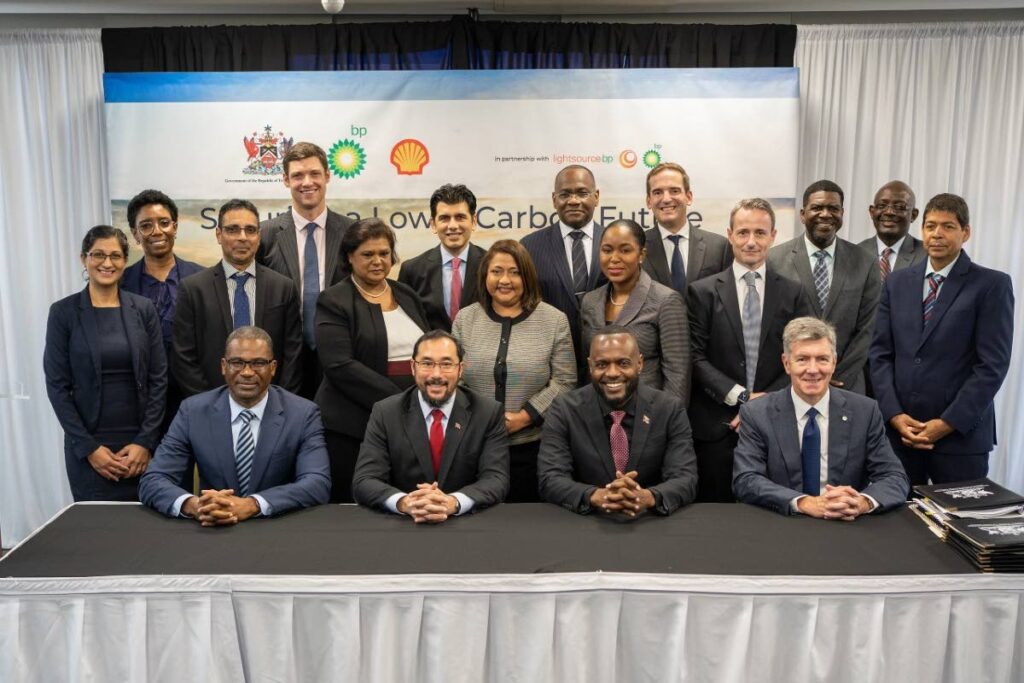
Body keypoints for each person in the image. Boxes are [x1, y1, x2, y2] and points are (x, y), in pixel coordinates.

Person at [869, 193, 1014, 485]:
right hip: (901, 436)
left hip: (960, 438)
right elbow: (880, 354)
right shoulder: (897, 282)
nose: (937, 234)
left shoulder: (991, 285)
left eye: (948, 226)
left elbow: (992, 366)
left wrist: (947, 423)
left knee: (959, 526)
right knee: (899, 525)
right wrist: (894, 414)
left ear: (966, 232)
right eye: (930, 226)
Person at [687, 198, 812, 502]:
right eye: (743, 232)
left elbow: (803, 355)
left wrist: (764, 403)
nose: (751, 242)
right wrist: (742, 397)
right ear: (729, 235)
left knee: (772, 518)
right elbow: (694, 356)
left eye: (760, 232)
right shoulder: (702, 292)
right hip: (718, 427)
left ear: (773, 236)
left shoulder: (794, 293)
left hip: (778, 423)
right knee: (714, 521)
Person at [140, 326, 330, 523]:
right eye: (237, 362)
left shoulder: (303, 414)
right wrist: (196, 506)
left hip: (276, 529)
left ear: (273, 368)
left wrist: (252, 505)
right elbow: (153, 480)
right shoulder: (193, 411)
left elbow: (317, 483)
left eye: (258, 363)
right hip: (211, 528)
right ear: (224, 366)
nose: (247, 372)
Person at [733, 317, 909, 518]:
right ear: (786, 363)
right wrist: (805, 503)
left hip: (845, 523)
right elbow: (745, 479)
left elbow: (894, 477)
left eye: (822, 359)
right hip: (783, 522)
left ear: (834, 363)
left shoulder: (865, 411)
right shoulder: (757, 413)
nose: (813, 369)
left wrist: (861, 502)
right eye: (802, 359)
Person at [44, 225, 167, 501]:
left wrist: (145, 442)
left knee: (144, 533)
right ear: (83, 259)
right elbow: (57, 387)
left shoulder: (144, 309)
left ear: (125, 261)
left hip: (140, 446)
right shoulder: (63, 313)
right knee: (95, 532)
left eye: (115, 256)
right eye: (98, 255)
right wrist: (89, 448)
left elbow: (159, 379)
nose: (107, 263)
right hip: (89, 448)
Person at [451, 240, 576, 502]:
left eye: (515, 272)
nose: (504, 280)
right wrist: (481, 419)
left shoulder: (554, 320)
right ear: (485, 275)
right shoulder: (465, 318)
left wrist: (524, 416)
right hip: (473, 445)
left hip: (533, 447)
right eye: (496, 271)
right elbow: (455, 376)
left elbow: (565, 381)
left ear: (527, 277)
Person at [315, 218, 429, 503]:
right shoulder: (333, 300)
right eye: (368, 254)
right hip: (352, 427)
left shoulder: (406, 295)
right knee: (354, 509)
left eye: (384, 253)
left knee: (403, 503)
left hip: (408, 424)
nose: (378, 261)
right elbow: (339, 365)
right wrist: (401, 401)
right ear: (349, 257)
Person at [537, 327, 697, 517]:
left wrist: (647, 497)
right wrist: (596, 496)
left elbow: (685, 477)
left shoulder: (669, 409)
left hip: (649, 523)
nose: (612, 373)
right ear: (590, 366)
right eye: (602, 364)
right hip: (586, 523)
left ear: (640, 363)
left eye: (623, 363)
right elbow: (550, 477)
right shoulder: (564, 409)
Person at [352, 330, 510, 521]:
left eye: (446, 364)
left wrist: (453, 502)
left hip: (466, 526)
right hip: (405, 525)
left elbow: (496, 479)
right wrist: (405, 502)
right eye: (427, 364)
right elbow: (365, 480)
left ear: (461, 369)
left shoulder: (487, 413)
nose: (436, 374)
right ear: (413, 367)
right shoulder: (386, 412)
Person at [171, 199, 302, 398]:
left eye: (250, 230)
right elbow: (183, 356)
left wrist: (280, 401)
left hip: (272, 403)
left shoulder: (283, 287)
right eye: (233, 229)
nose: (242, 237)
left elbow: (293, 354)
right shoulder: (193, 289)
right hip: (211, 404)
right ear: (218, 234)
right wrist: (210, 404)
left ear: (259, 236)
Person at [257, 142, 355, 399]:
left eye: (314, 174)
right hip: (281, 357)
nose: (307, 182)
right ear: (286, 180)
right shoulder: (265, 234)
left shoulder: (351, 233)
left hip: (340, 354)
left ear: (328, 176)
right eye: (298, 175)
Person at [768, 180, 879, 394]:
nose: (826, 214)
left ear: (842, 213)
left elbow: (868, 329)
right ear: (802, 214)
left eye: (833, 208)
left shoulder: (866, 262)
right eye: (817, 208)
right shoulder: (774, 260)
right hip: (790, 384)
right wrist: (798, 372)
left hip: (846, 385)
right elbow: (772, 330)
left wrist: (833, 375)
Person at [121, 189, 204, 474]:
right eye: (146, 225)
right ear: (135, 234)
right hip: (139, 405)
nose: (157, 231)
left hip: (194, 398)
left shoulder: (203, 278)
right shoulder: (120, 284)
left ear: (175, 227)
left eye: (164, 223)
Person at [580, 219, 690, 403]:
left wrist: (666, 422)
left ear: (641, 254)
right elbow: (587, 368)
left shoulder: (666, 300)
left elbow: (677, 374)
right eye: (607, 250)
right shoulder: (589, 301)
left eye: (625, 250)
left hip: (647, 414)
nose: (614, 258)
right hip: (597, 415)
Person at [521, 165, 606, 379]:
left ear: (596, 196)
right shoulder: (530, 247)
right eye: (565, 194)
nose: (573, 200)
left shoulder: (615, 243)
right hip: (549, 368)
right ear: (554, 199)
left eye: (582, 193)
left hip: (607, 364)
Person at [398, 183, 486, 332]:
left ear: (474, 221)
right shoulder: (412, 270)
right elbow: (405, 324)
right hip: (431, 354)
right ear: (433, 224)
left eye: (460, 217)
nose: (452, 225)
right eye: (444, 218)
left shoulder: (491, 264)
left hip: (480, 353)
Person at [642, 162, 732, 297]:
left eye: (674, 191)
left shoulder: (720, 247)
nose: (666, 199)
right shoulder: (636, 247)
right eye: (658, 192)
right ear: (649, 201)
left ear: (689, 197)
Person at [858, 180, 927, 280]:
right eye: (882, 206)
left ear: (913, 215)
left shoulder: (927, 255)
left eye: (899, 207)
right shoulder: (856, 254)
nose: (889, 212)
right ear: (872, 212)